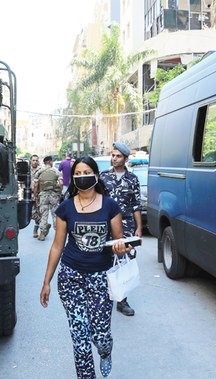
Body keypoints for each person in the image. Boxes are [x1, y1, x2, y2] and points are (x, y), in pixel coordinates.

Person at [40, 156, 131, 378]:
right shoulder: (65, 208)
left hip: (101, 278)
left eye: (86, 172)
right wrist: (46, 282)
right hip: (71, 277)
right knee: (80, 337)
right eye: (77, 174)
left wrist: (121, 247)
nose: (82, 177)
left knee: (101, 336)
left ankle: (106, 351)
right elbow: (56, 246)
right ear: (72, 178)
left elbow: (120, 241)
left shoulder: (110, 205)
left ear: (96, 175)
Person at [100, 142, 142, 316]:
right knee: (103, 259)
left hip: (126, 224)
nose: (114, 158)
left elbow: (136, 206)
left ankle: (122, 300)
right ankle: (103, 297)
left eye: (118, 156)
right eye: (113, 155)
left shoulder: (132, 179)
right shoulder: (102, 177)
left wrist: (139, 227)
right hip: (105, 224)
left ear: (125, 159)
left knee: (124, 260)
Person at [33, 155, 62, 241]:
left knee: (44, 215)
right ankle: (58, 233)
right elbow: (61, 183)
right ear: (49, 162)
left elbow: (35, 185)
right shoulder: (56, 171)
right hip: (53, 195)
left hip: (43, 196)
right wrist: (59, 193)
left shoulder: (39, 172)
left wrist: (35, 195)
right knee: (55, 215)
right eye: (52, 161)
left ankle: (42, 233)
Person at [30, 154, 42, 238]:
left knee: (38, 212)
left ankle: (36, 230)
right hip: (28, 194)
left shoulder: (41, 170)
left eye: (36, 160)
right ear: (31, 160)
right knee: (31, 213)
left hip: (38, 194)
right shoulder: (27, 170)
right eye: (33, 160)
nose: (35, 162)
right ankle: (43, 223)